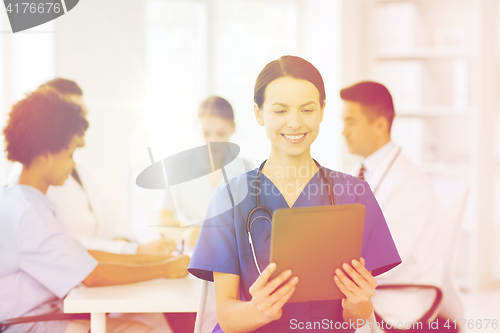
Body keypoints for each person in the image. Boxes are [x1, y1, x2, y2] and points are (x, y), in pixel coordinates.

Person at [187, 56, 401, 333]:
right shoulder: (230, 197)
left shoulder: (354, 194)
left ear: (322, 111)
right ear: (258, 114)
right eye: (280, 111)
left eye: (307, 109)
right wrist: (257, 310)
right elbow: (227, 317)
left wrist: (358, 304)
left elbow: (359, 319)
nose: (295, 123)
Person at [0, 87, 190, 332]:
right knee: (142, 329)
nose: (72, 163)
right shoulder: (29, 213)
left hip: (47, 313)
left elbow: (85, 256)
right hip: (26, 324)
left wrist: (158, 259)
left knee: (149, 319)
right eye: (69, 153)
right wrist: (163, 269)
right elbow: (91, 275)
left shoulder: (28, 201)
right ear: (46, 155)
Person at [8, 78, 175, 256]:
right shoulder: (32, 182)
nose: (84, 123)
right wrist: (133, 252)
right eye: (75, 113)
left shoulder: (78, 172)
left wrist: (125, 243)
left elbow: (108, 216)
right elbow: (65, 246)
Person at [339, 81, 441, 323]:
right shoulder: (361, 170)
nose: (343, 131)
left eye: (350, 122)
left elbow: (385, 259)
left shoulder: (409, 183)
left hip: (398, 298)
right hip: (369, 288)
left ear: (380, 125)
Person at [158, 96, 253, 247]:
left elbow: (253, 223)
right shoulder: (178, 167)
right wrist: (184, 235)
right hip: (189, 252)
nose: (213, 141)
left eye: (221, 134)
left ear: (233, 128)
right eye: (206, 134)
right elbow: (163, 220)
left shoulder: (248, 170)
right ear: (197, 128)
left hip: (231, 251)